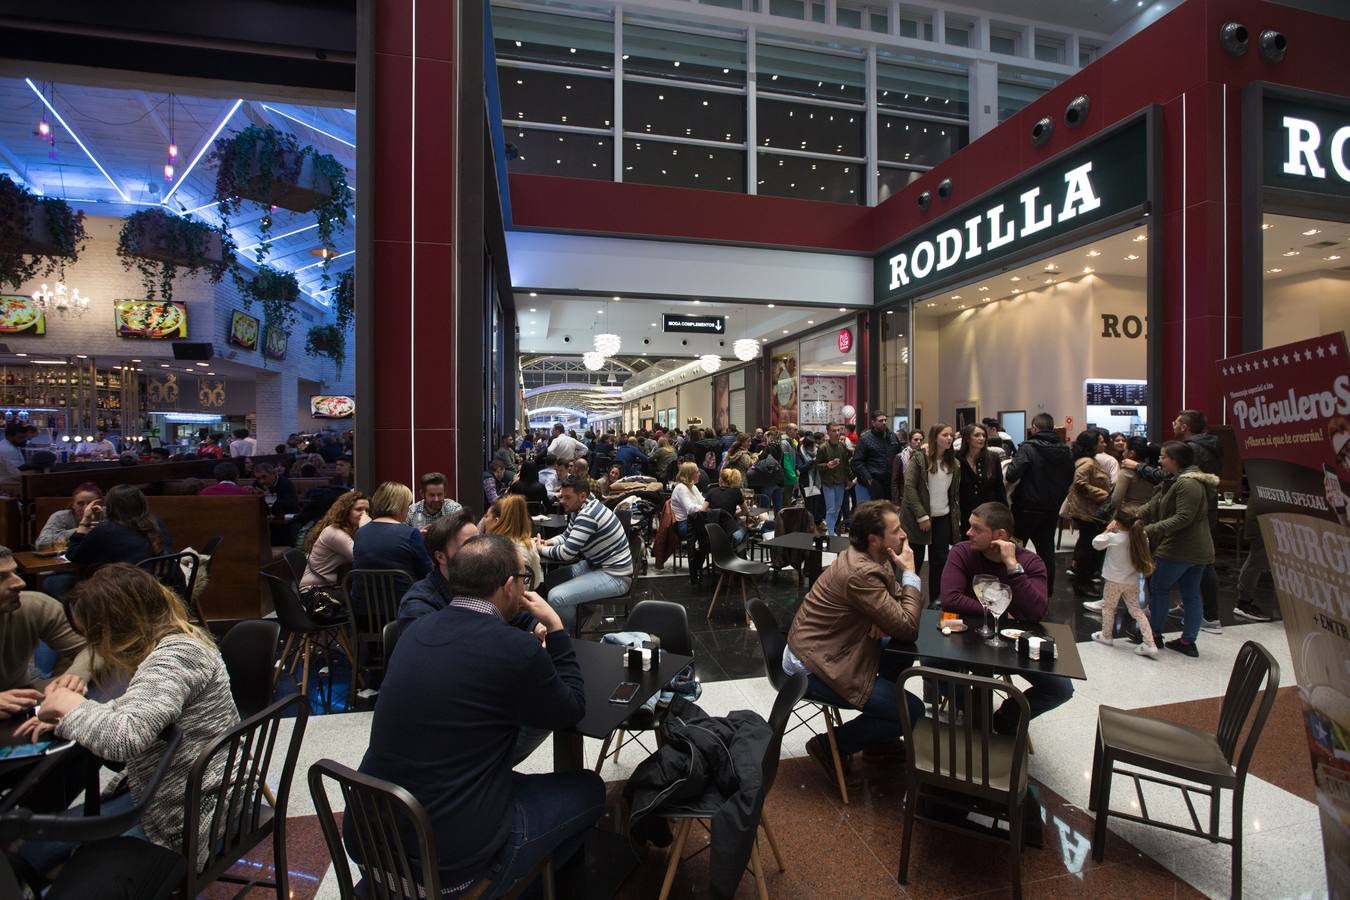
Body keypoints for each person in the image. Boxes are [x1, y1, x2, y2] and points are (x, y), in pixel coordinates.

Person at [357, 535, 602, 893]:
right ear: (508, 586)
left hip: (371, 838)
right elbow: (570, 709)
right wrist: (557, 629)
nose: (524, 587)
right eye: (523, 579)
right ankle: (519, 884)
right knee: (589, 789)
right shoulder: (515, 649)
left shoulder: (414, 631)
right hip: (451, 863)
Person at [20, 564, 239, 872]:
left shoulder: (177, 655)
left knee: (44, 852)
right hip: (182, 790)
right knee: (36, 848)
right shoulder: (175, 642)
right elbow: (135, 706)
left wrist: (70, 705)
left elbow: (126, 737)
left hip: (193, 810)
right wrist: (67, 717)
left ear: (119, 626)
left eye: (96, 636)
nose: (96, 647)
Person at [784, 500, 924, 776]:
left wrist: (880, 615)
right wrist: (910, 574)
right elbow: (908, 625)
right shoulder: (862, 571)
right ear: (875, 539)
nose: (904, 535)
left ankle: (878, 740)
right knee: (913, 711)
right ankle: (832, 744)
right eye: (896, 530)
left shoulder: (872, 559)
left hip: (835, 647)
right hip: (815, 666)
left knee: (901, 654)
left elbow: (897, 608)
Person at [938, 502, 1074, 729]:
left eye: (976, 529)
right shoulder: (962, 552)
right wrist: (998, 611)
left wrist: (1012, 566)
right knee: (932, 663)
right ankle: (972, 710)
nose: (968, 533)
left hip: (1013, 642)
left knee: (1060, 689)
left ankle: (1004, 719)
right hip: (969, 637)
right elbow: (950, 598)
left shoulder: (1030, 562)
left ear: (999, 535)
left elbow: (1037, 611)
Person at [1141, 441, 1219, 658]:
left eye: (1163, 456)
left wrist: (1150, 530)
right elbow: (1153, 505)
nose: (1159, 460)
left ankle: (1154, 635)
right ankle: (1187, 641)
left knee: (1160, 588)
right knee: (1191, 593)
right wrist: (1128, 517)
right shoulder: (1177, 480)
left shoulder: (1187, 484)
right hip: (1196, 550)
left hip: (1180, 548)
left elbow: (1183, 517)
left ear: (1174, 460)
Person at [534, 475, 633, 632]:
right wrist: (548, 542)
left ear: (581, 496)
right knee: (552, 580)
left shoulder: (588, 514)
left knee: (556, 597)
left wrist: (540, 549)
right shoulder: (583, 506)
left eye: (567, 497)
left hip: (615, 576)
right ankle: (588, 613)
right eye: (562, 496)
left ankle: (571, 635)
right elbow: (567, 536)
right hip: (597, 566)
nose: (562, 501)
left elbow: (567, 553)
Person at [0, 545, 90, 707]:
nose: (20, 583)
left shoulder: (34, 606)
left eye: (15, 572)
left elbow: (91, 649)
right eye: (1, 577)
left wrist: (74, 676)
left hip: (21, 694)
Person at [1004, 413, 1073, 593]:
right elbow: (1069, 477)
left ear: (1034, 428)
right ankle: (1046, 590)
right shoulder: (1065, 450)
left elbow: (1012, 474)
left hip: (1025, 509)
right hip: (1051, 509)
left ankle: (1012, 588)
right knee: (1046, 551)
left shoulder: (1028, 448)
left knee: (1015, 548)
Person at [900, 423, 960, 608]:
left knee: (939, 562)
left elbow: (953, 494)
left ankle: (936, 602)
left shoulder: (954, 463)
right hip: (919, 518)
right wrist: (922, 515)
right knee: (914, 562)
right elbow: (909, 488)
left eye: (951, 435)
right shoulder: (919, 459)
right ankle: (909, 601)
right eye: (945, 435)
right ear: (935, 438)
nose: (949, 438)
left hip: (943, 517)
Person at [65, 484, 175, 583]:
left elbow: (73, 555)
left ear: (110, 507)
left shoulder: (105, 530)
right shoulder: (157, 522)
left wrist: (84, 522)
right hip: (172, 589)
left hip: (133, 595)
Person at [1089, 509, 1158, 658]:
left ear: (1118, 522)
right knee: (1136, 611)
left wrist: (1109, 529)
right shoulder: (1141, 537)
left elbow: (1096, 543)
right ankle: (1149, 642)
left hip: (1113, 581)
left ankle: (1106, 635)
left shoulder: (1114, 538)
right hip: (1131, 581)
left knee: (1108, 608)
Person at [396, 511, 481, 629]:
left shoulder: (488, 585)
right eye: (470, 546)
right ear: (441, 557)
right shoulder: (420, 603)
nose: (482, 551)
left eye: (481, 542)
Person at [353, 482, 433, 583]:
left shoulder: (361, 532)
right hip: (404, 596)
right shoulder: (411, 534)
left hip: (362, 597)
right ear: (400, 506)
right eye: (407, 504)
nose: (409, 509)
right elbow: (426, 572)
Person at [1065, 430, 1113, 599]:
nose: (1104, 444)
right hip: (1088, 512)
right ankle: (1082, 582)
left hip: (1089, 511)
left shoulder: (1092, 461)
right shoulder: (1088, 463)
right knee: (1089, 548)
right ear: (1092, 444)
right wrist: (1105, 495)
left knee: (1088, 546)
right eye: (1101, 441)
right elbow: (1080, 483)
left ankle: (1084, 579)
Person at [300, 491, 369, 603]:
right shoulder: (335, 533)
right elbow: (362, 557)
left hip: (330, 588)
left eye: (367, 511)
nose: (364, 514)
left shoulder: (350, 530)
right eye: (359, 509)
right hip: (315, 594)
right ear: (346, 512)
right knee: (366, 599)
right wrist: (366, 528)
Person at [957, 423, 1006, 536]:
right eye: (977, 435)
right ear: (968, 438)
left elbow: (999, 486)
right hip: (966, 512)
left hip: (989, 511)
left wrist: (1004, 511)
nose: (981, 438)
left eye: (984, 435)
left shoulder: (993, 458)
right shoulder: (958, 459)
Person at [487, 495, 544, 589]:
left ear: (497, 521)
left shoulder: (487, 547)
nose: (485, 519)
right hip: (522, 600)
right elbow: (536, 582)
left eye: (486, 516)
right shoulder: (530, 546)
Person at [852, 412, 901, 504]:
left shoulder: (892, 437)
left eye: (885, 420)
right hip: (875, 479)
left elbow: (899, 455)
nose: (884, 422)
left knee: (890, 507)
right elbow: (857, 462)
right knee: (878, 507)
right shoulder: (865, 439)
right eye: (881, 420)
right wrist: (868, 478)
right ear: (873, 423)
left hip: (891, 479)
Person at [36, 483, 103, 549]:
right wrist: (80, 530)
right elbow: (41, 543)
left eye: (91, 504)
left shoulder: (106, 515)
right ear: (73, 505)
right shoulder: (60, 517)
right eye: (80, 504)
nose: (86, 508)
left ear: (100, 505)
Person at [816, 424, 852, 536]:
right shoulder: (823, 447)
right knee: (831, 509)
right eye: (834, 431)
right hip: (828, 482)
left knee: (837, 508)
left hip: (840, 482)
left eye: (838, 430)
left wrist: (850, 478)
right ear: (828, 432)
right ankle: (830, 533)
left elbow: (846, 465)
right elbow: (817, 465)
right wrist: (827, 465)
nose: (837, 433)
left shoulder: (842, 446)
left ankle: (831, 529)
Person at [705, 467, 751, 546]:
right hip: (730, 537)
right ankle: (738, 556)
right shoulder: (736, 492)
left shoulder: (711, 491)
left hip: (711, 536)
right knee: (746, 530)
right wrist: (732, 515)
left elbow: (703, 510)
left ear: (720, 479)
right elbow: (746, 511)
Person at [671, 461, 708, 540]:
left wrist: (708, 505)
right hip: (684, 524)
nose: (699, 474)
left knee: (715, 522)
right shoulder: (681, 488)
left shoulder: (693, 487)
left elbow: (703, 501)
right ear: (690, 474)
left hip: (694, 520)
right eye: (697, 472)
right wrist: (705, 508)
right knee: (712, 527)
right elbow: (690, 509)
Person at [0, 423, 27, 496]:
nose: (24, 440)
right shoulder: (8, 450)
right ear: (9, 437)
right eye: (20, 437)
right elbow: (17, 475)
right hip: (6, 484)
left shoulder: (10, 445)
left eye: (25, 437)